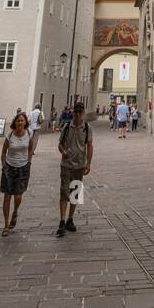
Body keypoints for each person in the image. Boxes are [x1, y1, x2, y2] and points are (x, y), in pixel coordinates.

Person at [56, 102, 92, 238]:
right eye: (75, 111)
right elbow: (59, 144)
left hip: (79, 165)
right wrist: (63, 151)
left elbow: (90, 146)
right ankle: (62, 221)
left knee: (75, 194)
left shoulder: (87, 128)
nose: (77, 113)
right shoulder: (66, 127)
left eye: (80, 111)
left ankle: (70, 219)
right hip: (66, 164)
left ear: (83, 112)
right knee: (64, 192)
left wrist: (88, 164)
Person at [0, 111, 35, 235]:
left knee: (18, 196)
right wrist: (4, 165)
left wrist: (29, 162)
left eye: (22, 121)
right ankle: (5, 225)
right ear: (15, 122)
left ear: (25, 123)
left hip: (23, 167)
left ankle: (15, 212)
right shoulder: (10, 135)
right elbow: (4, 152)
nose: (20, 122)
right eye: (18, 120)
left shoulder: (29, 134)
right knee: (7, 196)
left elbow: (31, 149)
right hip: (9, 167)